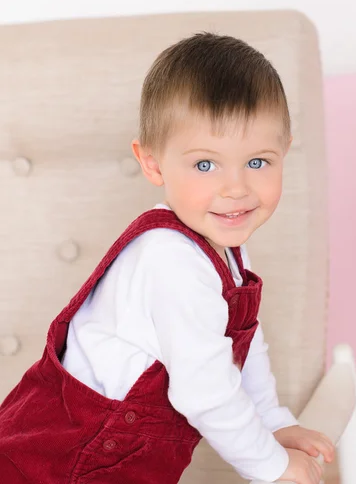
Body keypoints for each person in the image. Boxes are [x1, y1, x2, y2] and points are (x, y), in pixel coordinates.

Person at [0, 33, 334, 484]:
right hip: (64, 464)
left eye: (257, 162)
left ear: (285, 152)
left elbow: (244, 342)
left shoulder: (223, 241)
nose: (235, 189)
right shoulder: (171, 261)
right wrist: (272, 467)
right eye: (204, 165)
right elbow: (205, 392)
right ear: (153, 163)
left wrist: (273, 421)